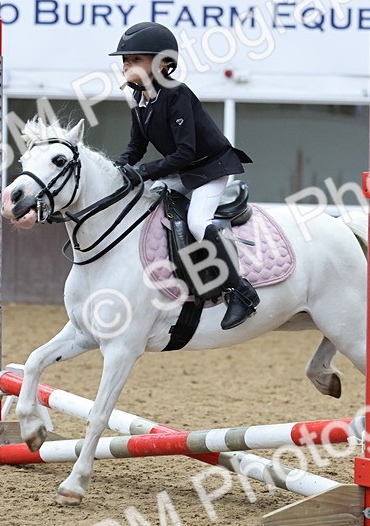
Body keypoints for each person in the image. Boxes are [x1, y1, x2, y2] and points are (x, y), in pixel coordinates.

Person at [109, 21, 259, 330]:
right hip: (183, 170)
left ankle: (240, 292)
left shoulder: (176, 94)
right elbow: (137, 145)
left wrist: (144, 172)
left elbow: (185, 152)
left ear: (163, 63)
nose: (127, 65)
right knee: (147, 204)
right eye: (125, 60)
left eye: (135, 59)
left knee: (197, 221)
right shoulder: (140, 98)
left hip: (210, 168)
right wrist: (120, 169)